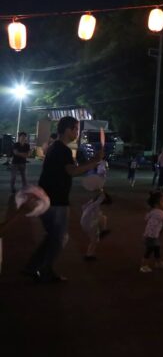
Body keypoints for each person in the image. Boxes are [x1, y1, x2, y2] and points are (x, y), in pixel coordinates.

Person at [24, 116, 104, 282]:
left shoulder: (55, 147)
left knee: (52, 236)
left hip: (46, 198)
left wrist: (92, 162)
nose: (77, 132)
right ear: (67, 130)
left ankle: (33, 267)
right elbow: (72, 171)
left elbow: (70, 169)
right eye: (75, 129)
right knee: (59, 238)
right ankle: (45, 271)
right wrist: (95, 161)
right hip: (55, 200)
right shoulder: (62, 149)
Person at [141, 191, 163, 273]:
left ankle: (158, 262)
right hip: (151, 236)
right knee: (149, 250)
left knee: (157, 248)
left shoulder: (152, 211)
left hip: (152, 235)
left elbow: (146, 218)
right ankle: (143, 266)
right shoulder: (158, 212)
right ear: (157, 204)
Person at [81, 184, 112, 261]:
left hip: (85, 222)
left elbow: (84, 207)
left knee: (103, 217)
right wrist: (101, 190)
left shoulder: (91, 203)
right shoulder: (95, 205)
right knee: (94, 240)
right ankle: (89, 255)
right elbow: (101, 198)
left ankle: (103, 231)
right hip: (89, 224)